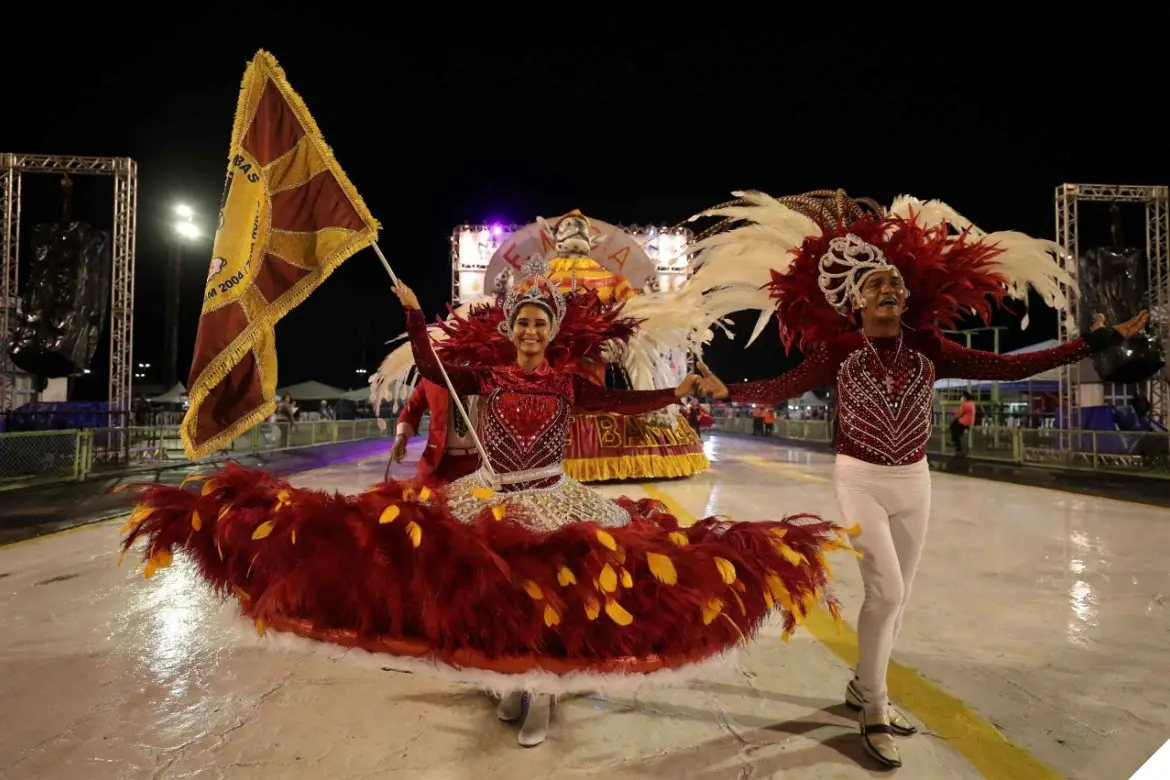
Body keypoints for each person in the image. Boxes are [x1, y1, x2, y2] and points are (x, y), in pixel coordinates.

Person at [121, 255, 848, 749]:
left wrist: (679, 390)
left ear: (553, 332)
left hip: (554, 499)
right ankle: (511, 684)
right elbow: (434, 363)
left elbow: (627, 404)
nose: (531, 330)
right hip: (492, 497)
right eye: (522, 321)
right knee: (492, 596)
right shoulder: (480, 377)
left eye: (541, 322)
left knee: (551, 600)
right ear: (509, 330)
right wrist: (412, 314)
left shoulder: (569, 384)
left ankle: (541, 693)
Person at [691, 189, 1148, 770]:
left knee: (896, 599)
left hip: (915, 481)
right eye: (877, 284)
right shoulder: (839, 350)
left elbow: (1012, 365)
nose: (890, 290)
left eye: (897, 285)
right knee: (888, 591)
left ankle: (862, 684)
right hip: (859, 478)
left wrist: (1094, 342)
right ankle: (874, 705)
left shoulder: (929, 348)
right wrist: (732, 390)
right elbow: (783, 385)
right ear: (855, 300)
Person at [390, 378, 481, 484]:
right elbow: (414, 407)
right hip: (440, 462)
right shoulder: (431, 379)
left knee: (483, 498)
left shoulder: (483, 376)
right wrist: (401, 435)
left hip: (478, 462)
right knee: (426, 497)